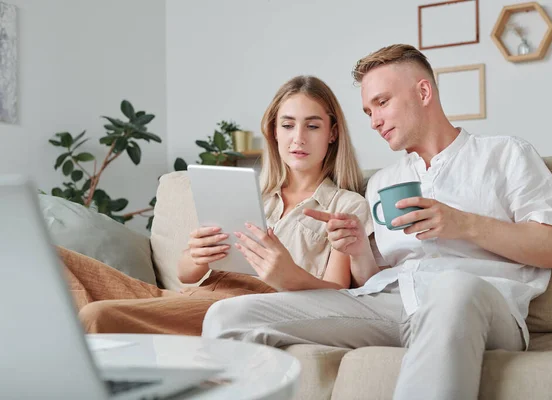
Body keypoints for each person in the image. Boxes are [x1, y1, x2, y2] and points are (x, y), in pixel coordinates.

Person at [202, 44, 552, 400]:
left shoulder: (505, 155)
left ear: (423, 92)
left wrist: (464, 224)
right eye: (368, 111)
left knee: (452, 288)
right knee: (229, 315)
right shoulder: (384, 182)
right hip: (388, 303)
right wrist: (355, 251)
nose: (373, 121)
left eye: (382, 103)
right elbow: (369, 279)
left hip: (480, 304)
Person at [62, 75, 373, 335]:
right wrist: (196, 255)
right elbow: (186, 274)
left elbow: (339, 294)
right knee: (56, 261)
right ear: (274, 132)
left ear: (333, 133)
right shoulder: (252, 193)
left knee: (98, 316)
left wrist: (287, 275)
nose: (298, 138)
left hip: (244, 307)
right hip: (189, 297)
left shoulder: (346, 206)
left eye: (313, 126)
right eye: (288, 125)